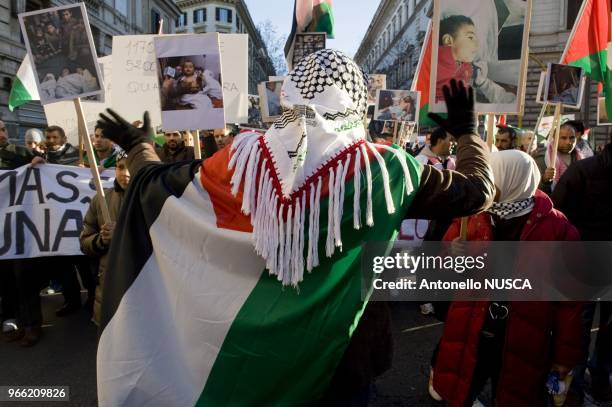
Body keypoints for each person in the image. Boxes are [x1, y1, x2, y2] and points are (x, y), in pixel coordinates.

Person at [95, 48, 494, 405]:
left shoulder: (238, 158)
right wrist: (466, 131)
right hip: (344, 354)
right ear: (358, 102)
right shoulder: (388, 169)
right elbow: (478, 192)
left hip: (255, 353)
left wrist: (137, 146)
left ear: (290, 95)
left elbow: (156, 187)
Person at [431, 150, 584, 407]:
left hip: (524, 336)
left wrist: (564, 357)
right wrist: (452, 253)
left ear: (515, 179)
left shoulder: (558, 230)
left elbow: (570, 302)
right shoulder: (473, 214)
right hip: (471, 327)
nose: (486, 184)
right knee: (459, 395)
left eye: (492, 177)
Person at [552, 141, 612, 404]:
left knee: (588, 328)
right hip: (584, 264)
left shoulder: (581, 169)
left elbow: (558, 215)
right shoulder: (582, 171)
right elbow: (559, 216)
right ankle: (580, 387)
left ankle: (586, 385)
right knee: (582, 328)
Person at [80, 152, 130, 326]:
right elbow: (84, 241)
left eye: (131, 166)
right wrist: (102, 240)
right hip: (109, 285)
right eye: (121, 167)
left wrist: (123, 234)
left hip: (143, 284)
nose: (125, 173)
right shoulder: (101, 200)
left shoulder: (153, 199)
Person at [533, 123, 583, 194]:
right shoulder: (541, 157)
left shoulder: (580, 157)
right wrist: (544, 180)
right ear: (555, 138)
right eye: (563, 138)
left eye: (572, 138)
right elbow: (533, 188)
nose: (568, 142)